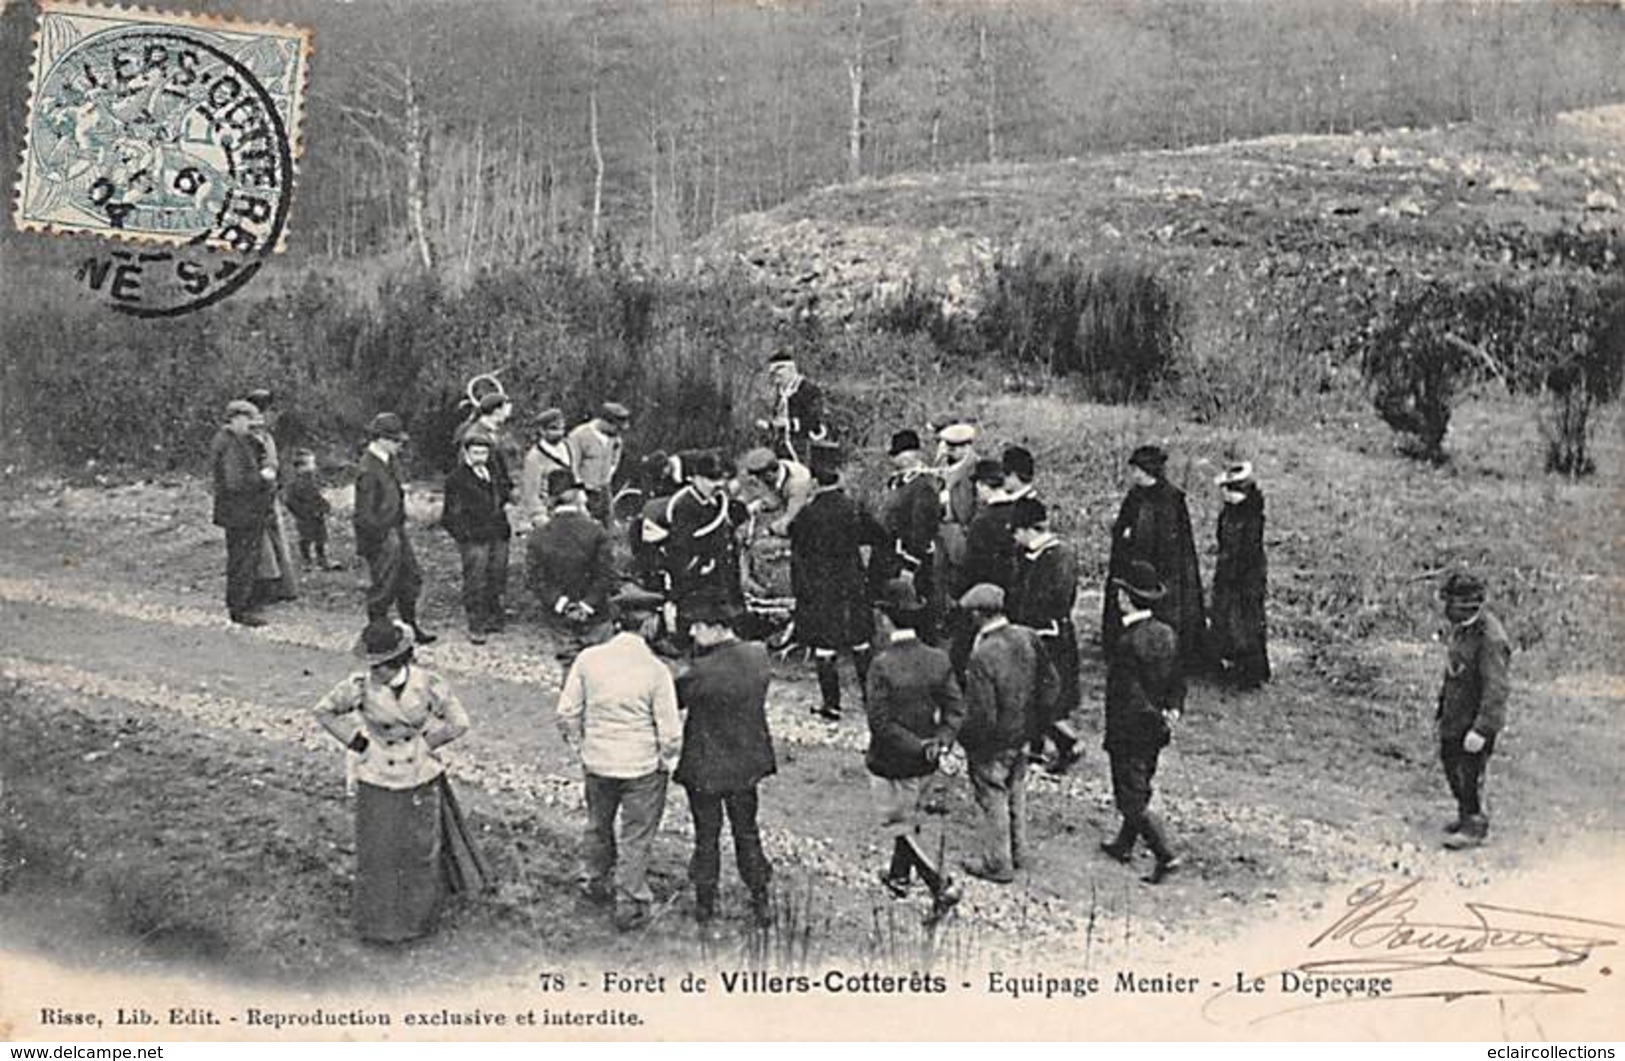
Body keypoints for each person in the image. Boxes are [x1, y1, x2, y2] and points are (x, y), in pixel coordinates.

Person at [313, 618, 488, 942]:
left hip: (417, 773)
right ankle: (377, 924)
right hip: (377, 772)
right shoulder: (359, 685)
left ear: (394, 662)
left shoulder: (428, 684)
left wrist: (426, 744)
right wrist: (357, 742)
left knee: (418, 849)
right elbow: (323, 711)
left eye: (378, 665)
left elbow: (459, 722)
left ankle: (416, 922)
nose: (372, 671)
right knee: (378, 850)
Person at [556, 585, 683, 931]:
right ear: (648, 626)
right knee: (636, 835)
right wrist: (665, 761)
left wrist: (581, 746)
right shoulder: (657, 671)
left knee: (598, 825)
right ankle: (630, 902)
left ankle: (593, 882)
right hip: (641, 767)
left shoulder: (588, 660)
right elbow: (670, 733)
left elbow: (566, 713)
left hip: (597, 762)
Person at [865, 577, 965, 926]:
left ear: (885, 618)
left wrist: (919, 746)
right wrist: (940, 742)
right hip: (927, 762)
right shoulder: (938, 659)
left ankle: (940, 885)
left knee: (897, 825)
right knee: (909, 815)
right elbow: (956, 709)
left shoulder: (881, 664)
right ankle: (898, 877)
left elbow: (879, 722)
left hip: (890, 761)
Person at [672, 596, 776, 927]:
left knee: (707, 835)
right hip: (746, 763)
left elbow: (675, 698)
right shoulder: (758, 656)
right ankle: (760, 899)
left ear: (717, 629)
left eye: (698, 627)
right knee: (747, 831)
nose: (692, 632)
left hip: (706, 765)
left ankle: (705, 904)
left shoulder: (700, 672)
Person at [957, 583, 1057, 884]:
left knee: (992, 797)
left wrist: (969, 742)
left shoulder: (983, 654)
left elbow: (982, 712)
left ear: (977, 614)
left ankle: (997, 863)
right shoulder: (1027, 636)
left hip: (995, 742)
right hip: (1024, 733)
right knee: (1017, 792)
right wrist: (1039, 724)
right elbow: (1050, 683)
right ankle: (1019, 852)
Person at [1100, 559, 1185, 884]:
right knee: (1141, 784)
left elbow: (1129, 698)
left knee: (1131, 798)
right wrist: (1171, 711)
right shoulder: (1167, 634)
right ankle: (1124, 844)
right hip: (1156, 730)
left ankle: (1166, 855)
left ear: (1126, 598)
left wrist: (1146, 718)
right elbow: (1178, 680)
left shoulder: (1126, 644)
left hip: (1129, 732)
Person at [787, 440, 880, 721]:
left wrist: (801, 591)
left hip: (821, 587)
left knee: (825, 646)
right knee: (861, 642)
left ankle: (832, 705)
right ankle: (871, 701)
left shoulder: (808, 514)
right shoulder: (853, 507)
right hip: (852, 583)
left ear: (814, 481)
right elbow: (878, 535)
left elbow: (797, 553)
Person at [1103, 444, 1205, 674]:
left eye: (1137, 469)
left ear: (1147, 470)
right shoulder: (1134, 495)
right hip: (1134, 562)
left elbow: (1173, 541)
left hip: (1163, 567)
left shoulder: (1171, 498)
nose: (1133, 474)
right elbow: (1123, 525)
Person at [1434, 572, 1511, 850]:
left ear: (1468, 604)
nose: (1447, 609)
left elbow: (1497, 689)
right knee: (1451, 765)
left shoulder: (1490, 638)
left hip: (1474, 721)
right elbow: (1454, 672)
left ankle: (1474, 825)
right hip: (1455, 718)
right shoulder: (1463, 629)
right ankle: (1465, 814)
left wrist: (1482, 729)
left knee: (1470, 773)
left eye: (1452, 603)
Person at [1008, 497, 1083, 774]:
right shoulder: (1031, 555)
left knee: (1047, 697)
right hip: (1033, 634)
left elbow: (1055, 600)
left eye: (1017, 532)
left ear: (1029, 529)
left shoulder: (1058, 555)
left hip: (1050, 638)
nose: (1015, 538)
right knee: (1033, 696)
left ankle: (1068, 744)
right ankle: (1037, 750)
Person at [354, 412, 435, 644]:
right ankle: (376, 634)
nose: (400, 445)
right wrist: (379, 538)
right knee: (384, 585)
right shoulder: (368, 468)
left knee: (411, 579)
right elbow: (364, 513)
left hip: (396, 529)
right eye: (395, 440)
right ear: (380, 438)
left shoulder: (389, 461)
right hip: (381, 535)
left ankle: (410, 627)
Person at [526, 470, 616, 661]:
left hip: (559, 615)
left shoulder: (539, 535)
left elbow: (535, 579)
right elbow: (607, 574)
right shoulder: (596, 531)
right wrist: (587, 604)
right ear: (578, 498)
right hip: (596, 612)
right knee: (599, 664)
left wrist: (562, 604)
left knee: (569, 665)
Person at [440, 432, 513, 645]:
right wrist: (466, 536)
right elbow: (450, 515)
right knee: (476, 580)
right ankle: (476, 624)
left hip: (498, 534)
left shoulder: (494, 474)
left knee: (497, 575)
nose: (480, 456)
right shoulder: (457, 479)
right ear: (466, 453)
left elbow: (503, 497)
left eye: (484, 452)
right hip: (475, 538)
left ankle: (494, 617)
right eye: (475, 452)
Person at [662, 450, 745, 636]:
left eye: (720, 479)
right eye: (711, 479)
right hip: (698, 571)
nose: (718, 485)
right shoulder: (686, 505)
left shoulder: (717, 501)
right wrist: (699, 564)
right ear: (694, 478)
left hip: (721, 568)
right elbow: (680, 547)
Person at [209, 399, 275, 627]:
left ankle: (242, 604)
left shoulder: (234, 440)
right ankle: (240, 608)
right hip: (240, 512)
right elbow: (235, 482)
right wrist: (263, 477)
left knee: (244, 559)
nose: (251, 425)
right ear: (235, 419)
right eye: (248, 419)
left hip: (241, 512)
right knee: (242, 560)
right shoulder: (230, 443)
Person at [874, 429, 943, 640]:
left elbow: (922, 531)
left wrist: (910, 566)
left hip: (909, 562)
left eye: (901, 454)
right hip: (888, 558)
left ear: (913, 454)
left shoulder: (923, 486)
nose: (896, 460)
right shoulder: (898, 482)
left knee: (915, 613)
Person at [1209, 462, 1271, 689]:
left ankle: (1250, 672)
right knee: (1226, 619)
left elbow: (1248, 550)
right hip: (1228, 571)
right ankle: (1230, 663)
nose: (1225, 494)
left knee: (1246, 622)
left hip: (1246, 576)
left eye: (1229, 490)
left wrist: (1235, 574)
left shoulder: (1253, 517)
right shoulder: (1229, 512)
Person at [245, 389, 299, 606]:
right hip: (260, 492)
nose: (273, 415)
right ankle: (273, 587)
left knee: (271, 540)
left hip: (267, 491)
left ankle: (281, 587)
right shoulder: (256, 435)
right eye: (269, 410)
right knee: (265, 541)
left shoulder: (263, 435)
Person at [934, 420, 980, 596]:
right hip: (941, 533)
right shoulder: (943, 466)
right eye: (948, 447)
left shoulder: (976, 469)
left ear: (967, 447)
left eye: (955, 447)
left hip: (961, 534)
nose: (949, 451)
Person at [758, 350, 828, 464]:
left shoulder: (808, 390)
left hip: (804, 446)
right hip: (781, 446)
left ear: (790, 370)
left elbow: (813, 421)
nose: (775, 378)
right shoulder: (780, 391)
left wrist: (787, 424)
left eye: (778, 373)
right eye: (773, 375)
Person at [568, 402, 630, 525]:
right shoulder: (578, 436)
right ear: (604, 422)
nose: (618, 432)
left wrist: (609, 472)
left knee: (607, 528)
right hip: (584, 490)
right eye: (616, 427)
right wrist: (578, 492)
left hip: (604, 489)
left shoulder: (614, 438)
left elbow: (615, 456)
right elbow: (571, 466)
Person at [282, 448, 342, 570]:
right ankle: (307, 561)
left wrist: (325, 506)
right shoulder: (294, 483)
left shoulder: (311, 480)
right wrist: (302, 512)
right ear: (300, 467)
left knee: (321, 537)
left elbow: (316, 496)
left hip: (317, 515)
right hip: (305, 516)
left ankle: (322, 559)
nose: (314, 466)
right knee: (306, 538)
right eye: (311, 463)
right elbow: (290, 500)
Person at [518, 407, 575, 529]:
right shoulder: (535, 457)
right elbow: (531, 493)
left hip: (571, 509)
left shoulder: (568, 447)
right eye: (553, 429)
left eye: (561, 429)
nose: (559, 433)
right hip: (549, 512)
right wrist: (539, 516)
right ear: (542, 431)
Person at [736, 446, 813, 537]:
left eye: (759, 480)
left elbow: (791, 518)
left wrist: (769, 530)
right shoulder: (777, 468)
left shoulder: (798, 484)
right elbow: (775, 497)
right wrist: (759, 504)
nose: (758, 483)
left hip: (808, 520)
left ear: (769, 476)